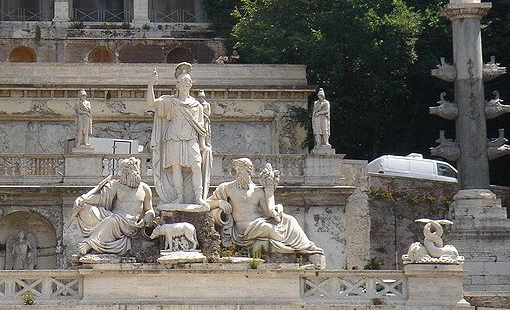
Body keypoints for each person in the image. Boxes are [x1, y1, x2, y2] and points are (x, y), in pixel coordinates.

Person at [208, 158, 325, 268]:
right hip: (243, 228)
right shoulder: (226, 188)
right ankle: (299, 249)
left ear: (249, 171)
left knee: (290, 220)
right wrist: (219, 202)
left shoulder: (258, 191)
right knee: (269, 229)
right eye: (236, 170)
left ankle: (309, 249)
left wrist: (276, 204)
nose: (237, 173)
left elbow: (268, 212)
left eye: (240, 170)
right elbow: (207, 204)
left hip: (259, 222)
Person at [147, 63, 211, 205]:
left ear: (191, 85)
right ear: (177, 85)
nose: (184, 85)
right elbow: (151, 104)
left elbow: (201, 128)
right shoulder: (170, 102)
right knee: (176, 167)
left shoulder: (197, 105)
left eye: (187, 82)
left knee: (196, 166)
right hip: (174, 136)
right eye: (182, 82)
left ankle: (199, 197)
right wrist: (151, 84)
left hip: (191, 137)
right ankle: (179, 196)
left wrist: (203, 144)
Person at [73, 157, 155, 255]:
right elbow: (100, 198)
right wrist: (82, 199)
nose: (121, 175)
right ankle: (100, 238)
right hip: (114, 216)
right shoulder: (116, 185)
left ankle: (89, 244)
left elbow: (149, 209)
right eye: (121, 172)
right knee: (86, 208)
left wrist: (150, 215)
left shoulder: (145, 188)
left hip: (130, 224)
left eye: (124, 172)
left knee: (111, 220)